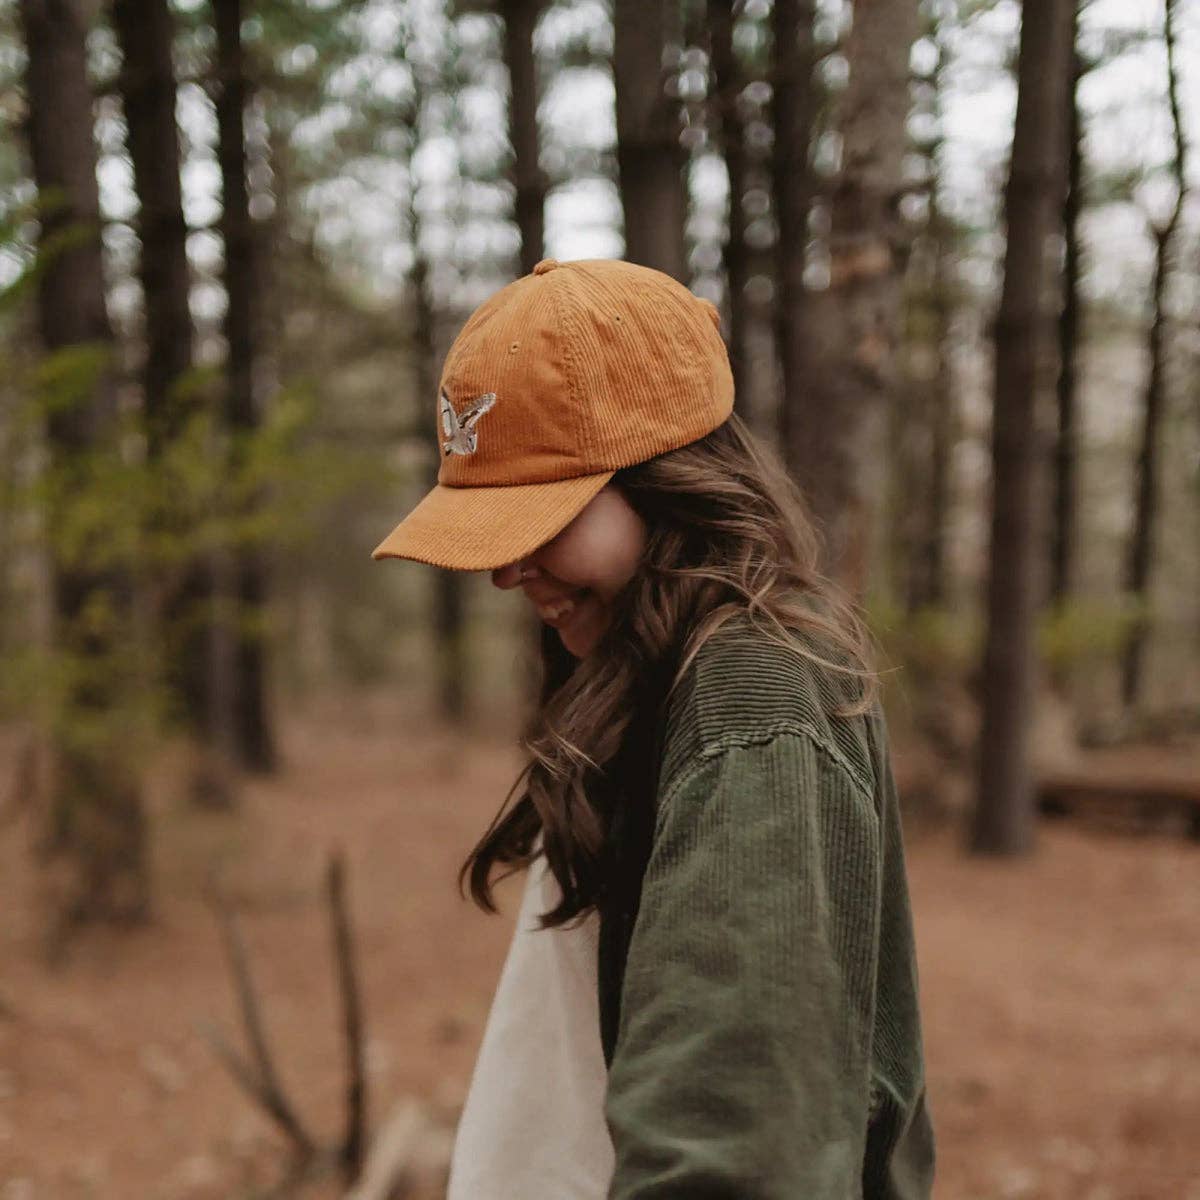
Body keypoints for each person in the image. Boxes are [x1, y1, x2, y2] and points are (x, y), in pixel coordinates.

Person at [371, 257, 936, 1198]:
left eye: (541, 517)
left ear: (669, 482)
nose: (506, 572)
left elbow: (735, 1146)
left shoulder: (752, 698)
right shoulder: (652, 676)